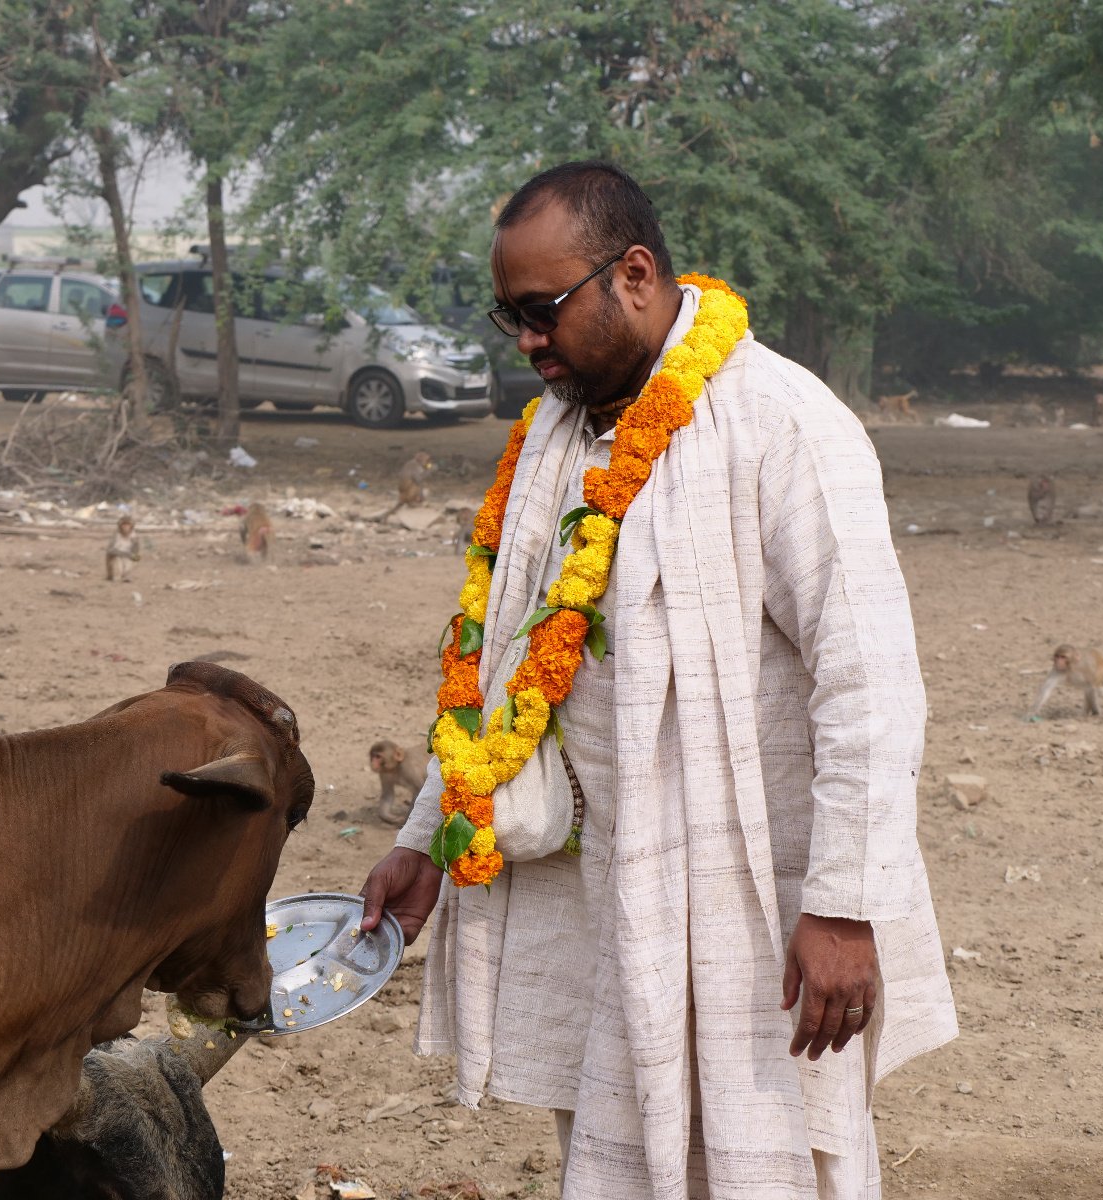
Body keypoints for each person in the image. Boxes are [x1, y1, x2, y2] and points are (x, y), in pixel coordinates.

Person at [359, 161, 955, 1199]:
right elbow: (507, 668)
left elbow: (870, 683)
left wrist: (845, 907)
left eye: (541, 310)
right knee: (614, 1151)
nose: (527, 341)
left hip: (753, 914)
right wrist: (428, 838)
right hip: (607, 899)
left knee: (773, 1166)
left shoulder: (782, 425)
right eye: (509, 318)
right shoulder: (555, 437)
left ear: (634, 275)